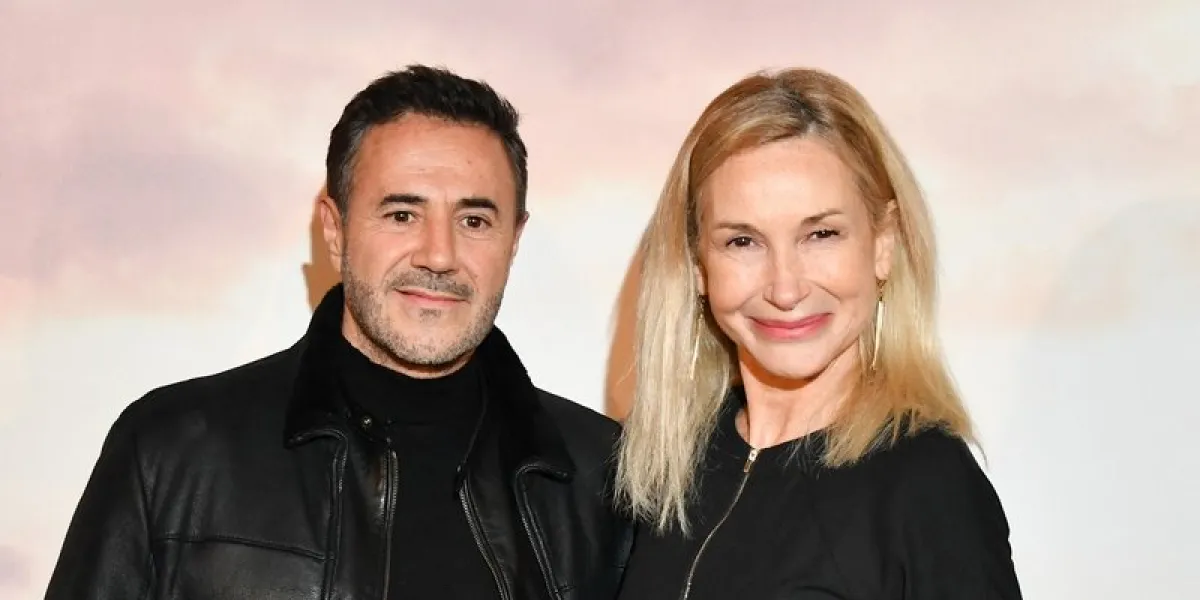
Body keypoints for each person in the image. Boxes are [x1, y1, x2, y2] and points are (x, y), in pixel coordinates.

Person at [45, 64, 633, 600]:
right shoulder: (171, 451)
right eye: (402, 214)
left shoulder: (606, 481)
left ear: (515, 239)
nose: (439, 254)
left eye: (474, 220)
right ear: (334, 228)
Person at [613, 68, 1022, 599]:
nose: (785, 288)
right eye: (743, 241)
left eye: (821, 234)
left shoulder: (929, 483)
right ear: (697, 264)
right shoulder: (666, 468)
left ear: (883, 244)